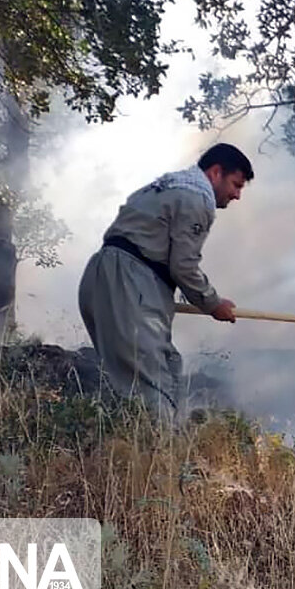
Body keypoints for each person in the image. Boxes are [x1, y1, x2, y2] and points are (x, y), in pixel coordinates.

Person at [78, 143, 253, 421]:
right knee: (153, 383)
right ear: (215, 172)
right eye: (236, 184)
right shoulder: (197, 199)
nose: (237, 195)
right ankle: (157, 455)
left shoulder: (165, 186)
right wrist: (212, 303)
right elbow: (183, 265)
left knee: (154, 370)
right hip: (130, 282)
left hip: (103, 275)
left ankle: (137, 449)